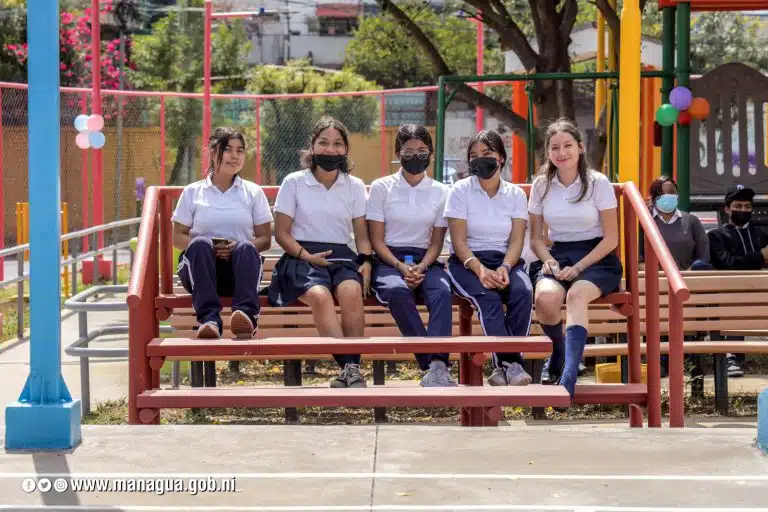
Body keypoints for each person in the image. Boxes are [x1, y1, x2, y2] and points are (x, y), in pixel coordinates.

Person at [268, 116, 373, 389]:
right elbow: (282, 233)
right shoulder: (293, 182)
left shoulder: (355, 185)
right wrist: (306, 256)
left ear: (346, 149)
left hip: (341, 257)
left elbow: (362, 236)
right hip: (301, 256)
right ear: (312, 147)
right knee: (320, 296)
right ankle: (351, 370)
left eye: (338, 144)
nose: (330, 149)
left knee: (352, 291)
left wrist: (366, 261)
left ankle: (350, 371)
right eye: (324, 142)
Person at [527, 118, 622, 404]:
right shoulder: (541, 185)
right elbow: (536, 238)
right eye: (554, 147)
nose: (562, 153)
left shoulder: (597, 183)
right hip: (558, 255)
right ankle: (558, 352)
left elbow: (612, 238)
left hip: (596, 256)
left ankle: (569, 377)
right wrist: (549, 261)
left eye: (568, 145)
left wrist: (580, 267)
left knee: (577, 295)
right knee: (545, 299)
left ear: (580, 147)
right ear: (548, 152)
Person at [443, 129, 534, 387]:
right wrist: (480, 270)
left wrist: (505, 266)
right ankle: (511, 364)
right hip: (467, 263)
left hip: (506, 260)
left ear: (501, 158)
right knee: (489, 298)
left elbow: (516, 241)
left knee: (524, 292)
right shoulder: (460, 191)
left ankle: (504, 367)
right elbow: (459, 242)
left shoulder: (515, 194)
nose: (480, 159)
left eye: (487, 153)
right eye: (473, 155)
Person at [367, 124, 455, 387]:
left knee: (442, 292)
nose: (415, 155)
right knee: (396, 291)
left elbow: (437, 242)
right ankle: (432, 365)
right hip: (389, 259)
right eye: (408, 150)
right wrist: (400, 266)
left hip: (426, 259)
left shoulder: (441, 191)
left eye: (422, 150)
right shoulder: (381, 188)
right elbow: (376, 240)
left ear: (430, 153)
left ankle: (438, 364)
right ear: (398, 153)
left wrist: (422, 266)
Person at [172, 127, 273, 339]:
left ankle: (246, 317)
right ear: (212, 152)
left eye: (240, 150)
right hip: (200, 270)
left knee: (246, 246)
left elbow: (264, 239)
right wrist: (209, 248)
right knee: (200, 244)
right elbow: (178, 237)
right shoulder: (193, 192)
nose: (235, 156)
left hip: (239, 273)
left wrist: (237, 247)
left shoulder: (253, 192)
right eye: (228, 149)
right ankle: (209, 320)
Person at [707, 184, 768, 377]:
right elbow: (727, 263)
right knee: (733, 301)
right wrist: (761, 256)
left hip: (760, 292)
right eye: (738, 206)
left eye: (747, 206)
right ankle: (731, 356)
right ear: (727, 209)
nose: (743, 210)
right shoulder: (716, 236)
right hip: (731, 294)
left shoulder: (761, 234)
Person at [640, 176, 712, 271]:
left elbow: (703, 257)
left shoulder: (692, 221)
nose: (668, 196)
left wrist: (687, 273)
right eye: (662, 193)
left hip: (687, 277)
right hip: (656, 278)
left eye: (671, 192)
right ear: (654, 198)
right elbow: (638, 260)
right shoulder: (644, 221)